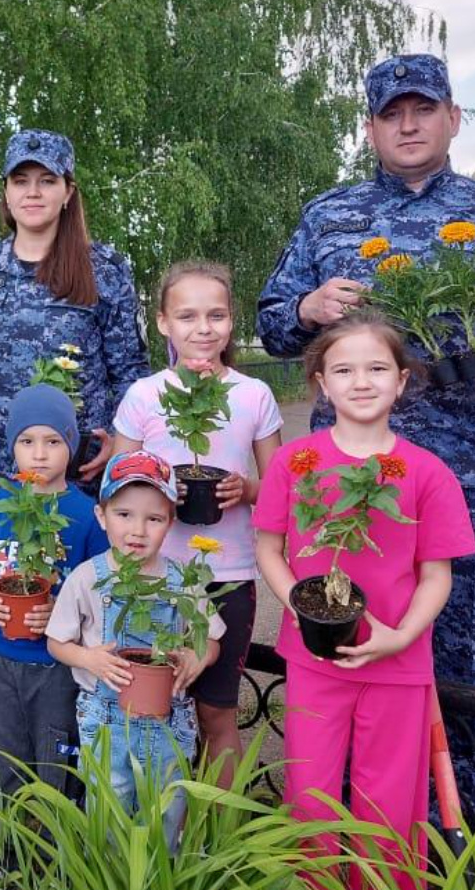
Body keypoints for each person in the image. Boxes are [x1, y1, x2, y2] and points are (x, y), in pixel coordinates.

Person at [255, 53, 475, 843]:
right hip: (347, 500)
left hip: (470, 483)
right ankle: (358, 840)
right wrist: (307, 304)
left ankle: (469, 843)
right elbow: (273, 323)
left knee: (467, 673)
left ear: (454, 117)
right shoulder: (331, 215)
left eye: (424, 109)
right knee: (348, 662)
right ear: (371, 128)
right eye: (393, 114)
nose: (410, 124)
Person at [253, 312, 475, 885]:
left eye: (377, 368)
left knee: (391, 797)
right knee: (311, 791)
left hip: (398, 660)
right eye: (344, 369)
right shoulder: (295, 464)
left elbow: (436, 575)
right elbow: (270, 549)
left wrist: (401, 635)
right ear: (322, 383)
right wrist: (303, 607)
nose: (361, 381)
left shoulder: (427, 474)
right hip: (315, 657)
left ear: (401, 381)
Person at [110, 261, 283, 786]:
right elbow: (116, 482)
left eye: (216, 315)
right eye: (187, 316)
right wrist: (161, 485)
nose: (202, 328)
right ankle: (155, 825)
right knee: (149, 705)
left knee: (216, 713)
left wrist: (247, 489)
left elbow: (280, 488)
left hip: (228, 575)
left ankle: (218, 836)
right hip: (153, 575)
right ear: (163, 323)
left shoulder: (253, 395)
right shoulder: (145, 395)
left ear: (232, 322)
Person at [0, 129, 148, 503]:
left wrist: (121, 444)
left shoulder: (104, 270)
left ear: (68, 192)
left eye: (47, 180)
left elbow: (130, 372)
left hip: (80, 466)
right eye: (20, 180)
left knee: (80, 560)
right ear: (6, 191)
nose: (33, 192)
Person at [46, 450, 224, 853]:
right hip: (105, 721)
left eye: (154, 518)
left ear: (171, 524)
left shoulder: (182, 579)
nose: (137, 530)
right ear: (101, 516)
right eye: (124, 514)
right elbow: (57, 641)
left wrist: (201, 654)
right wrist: (88, 658)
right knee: (106, 814)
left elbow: (211, 637)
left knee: (166, 815)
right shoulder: (87, 577)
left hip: (168, 722)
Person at [0, 384, 110, 804]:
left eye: (53, 441)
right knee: (1, 758)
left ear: (72, 446)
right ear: (13, 447)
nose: (39, 454)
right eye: (27, 441)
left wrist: (61, 615)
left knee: (57, 762)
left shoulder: (85, 514)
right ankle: (4, 857)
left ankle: (56, 859)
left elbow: (101, 587)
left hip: (56, 665)